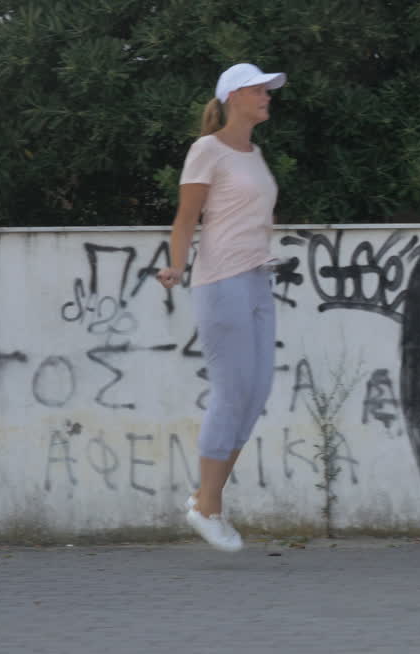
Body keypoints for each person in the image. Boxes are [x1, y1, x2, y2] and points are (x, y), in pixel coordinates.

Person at [156, 63, 288, 552]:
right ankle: (206, 505)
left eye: (267, 91)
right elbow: (185, 219)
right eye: (260, 90)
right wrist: (175, 267)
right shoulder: (206, 150)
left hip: (257, 280)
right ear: (234, 95)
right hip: (221, 282)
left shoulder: (254, 154)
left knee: (255, 396)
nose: (267, 97)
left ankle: (207, 500)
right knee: (232, 393)